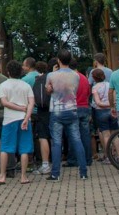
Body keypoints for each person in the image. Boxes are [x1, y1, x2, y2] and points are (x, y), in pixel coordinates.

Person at [44, 49, 87, 182]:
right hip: (72, 109)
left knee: (56, 142)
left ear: (58, 60)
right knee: (77, 140)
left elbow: (48, 90)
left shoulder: (51, 75)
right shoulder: (76, 76)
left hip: (57, 110)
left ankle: (55, 173)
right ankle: (83, 172)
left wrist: (51, 89)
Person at [0, 60, 34, 185]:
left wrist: (17, 108)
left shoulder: (4, 85)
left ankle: (2, 175)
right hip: (24, 119)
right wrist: (26, 116)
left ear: (8, 72)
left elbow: (4, 102)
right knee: (24, 149)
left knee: (5, 148)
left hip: (9, 119)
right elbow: (31, 103)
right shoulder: (25, 85)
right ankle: (23, 176)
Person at [31, 60, 51, 174]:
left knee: (43, 137)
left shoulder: (37, 80)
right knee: (55, 137)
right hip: (54, 110)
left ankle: (45, 164)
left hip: (41, 111)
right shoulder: (51, 77)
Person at [90, 68, 113, 162]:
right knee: (114, 133)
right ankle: (117, 155)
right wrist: (111, 105)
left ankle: (108, 155)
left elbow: (97, 102)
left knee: (105, 134)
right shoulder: (109, 85)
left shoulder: (95, 87)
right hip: (111, 110)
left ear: (94, 78)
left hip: (101, 111)